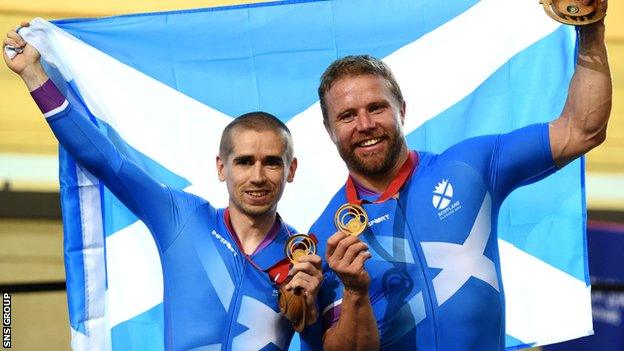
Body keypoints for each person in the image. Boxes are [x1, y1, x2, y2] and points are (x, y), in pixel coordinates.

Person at [3, 22, 324, 351]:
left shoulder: (304, 258)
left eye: (271, 162)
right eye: (244, 161)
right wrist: (32, 74)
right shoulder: (183, 219)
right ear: (221, 167)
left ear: (291, 169)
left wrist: (312, 323)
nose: (257, 176)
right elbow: (105, 161)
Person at [309, 1, 612, 350]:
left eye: (376, 108)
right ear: (330, 130)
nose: (365, 125)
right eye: (347, 116)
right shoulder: (325, 240)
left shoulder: (470, 167)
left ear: (402, 110)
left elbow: (581, 130)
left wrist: (590, 25)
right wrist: (353, 290)